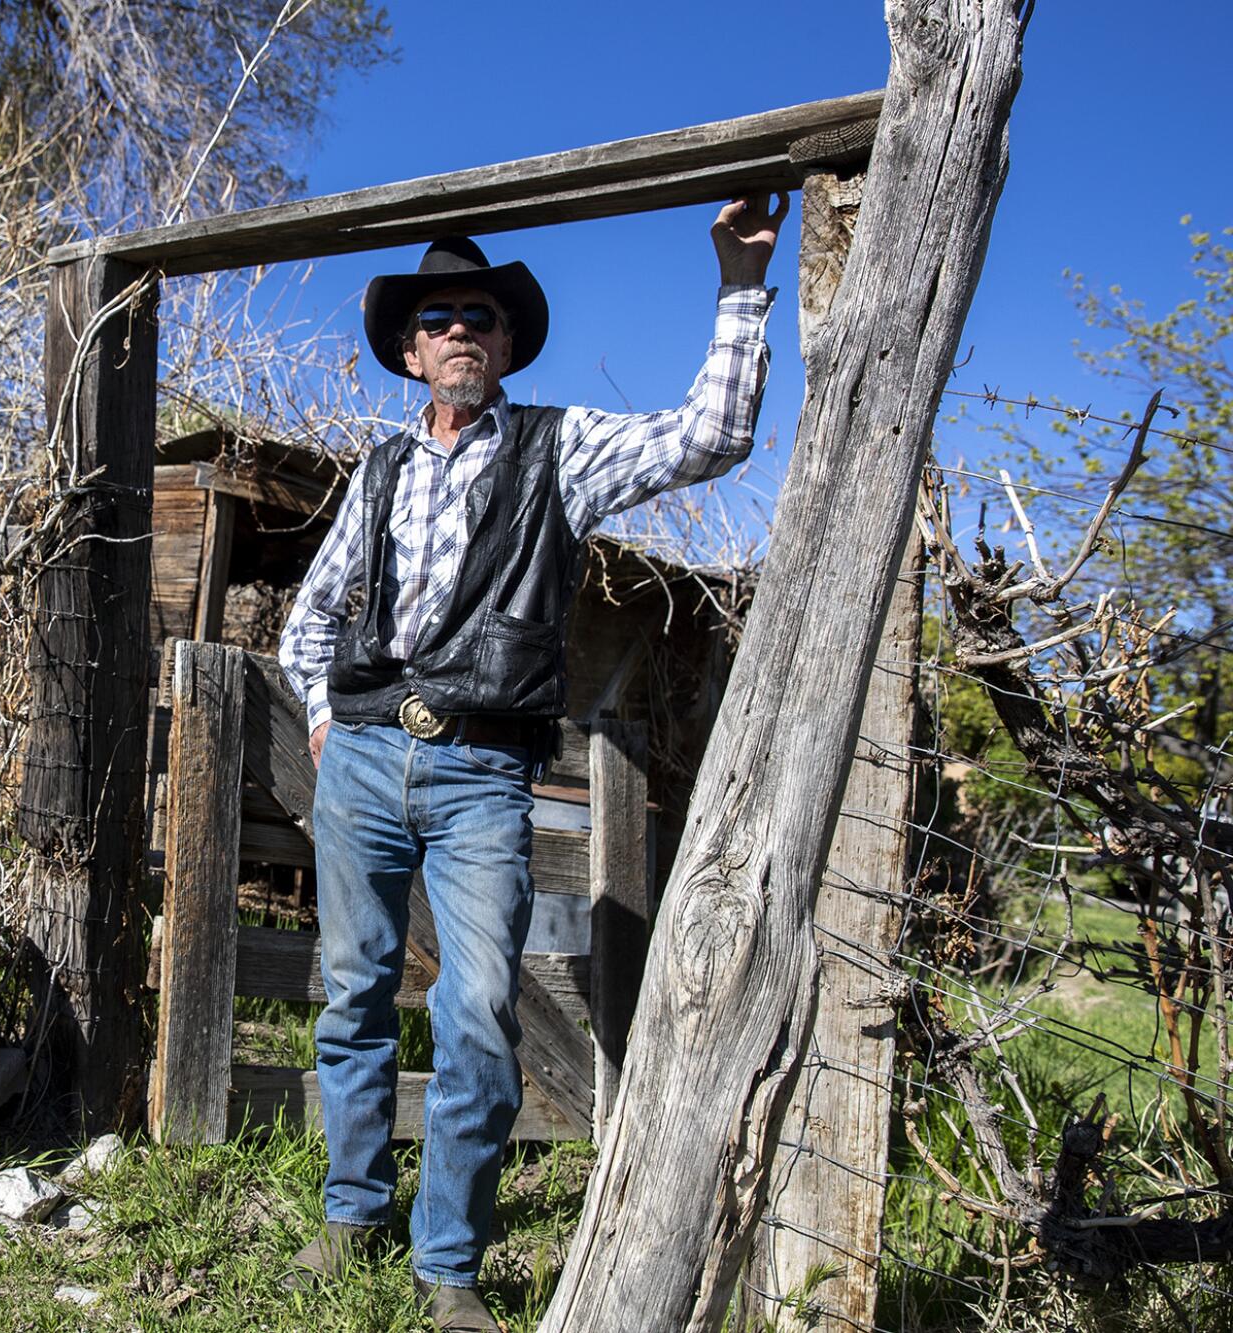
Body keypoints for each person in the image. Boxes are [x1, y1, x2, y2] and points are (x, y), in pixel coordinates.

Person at [275, 194, 787, 1331]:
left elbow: (709, 438)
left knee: (477, 1008)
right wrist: (324, 722)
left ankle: (446, 1264)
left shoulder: (559, 452)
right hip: (359, 760)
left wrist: (739, 282)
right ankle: (349, 1216)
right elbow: (303, 625)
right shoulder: (374, 473)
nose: (459, 329)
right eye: (438, 316)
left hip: (480, 775)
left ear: (504, 343)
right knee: (352, 993)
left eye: (480, 314)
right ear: (410, 350)